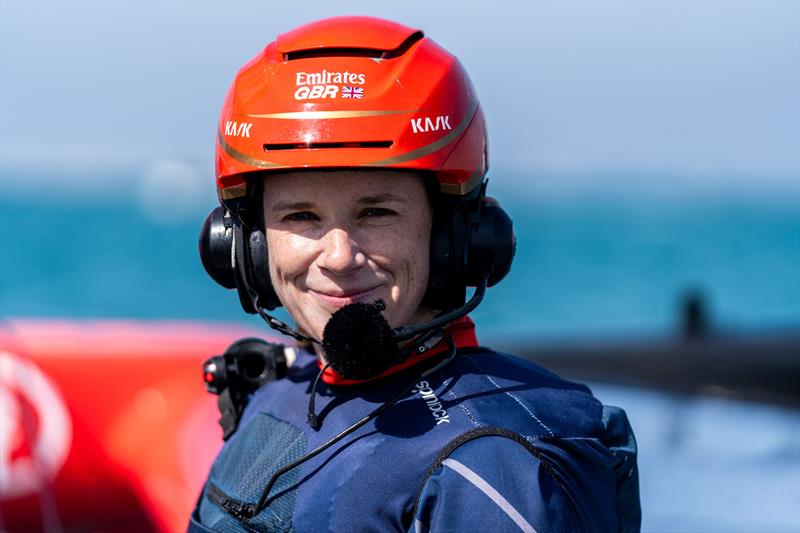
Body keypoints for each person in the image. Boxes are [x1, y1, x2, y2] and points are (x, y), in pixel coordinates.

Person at [190, 16, 640, 533]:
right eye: (301, 217)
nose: (339, 257)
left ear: (455, 237)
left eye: (377, 213)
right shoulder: (282, 394)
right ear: (244, 246)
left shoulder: (492, 462)